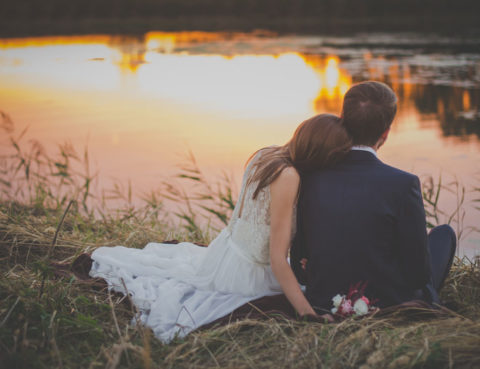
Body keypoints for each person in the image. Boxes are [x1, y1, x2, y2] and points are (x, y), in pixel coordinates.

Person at [89, 113, 351, 341]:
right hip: (247, 274)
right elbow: (276, 259)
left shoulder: (268, 154)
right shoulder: (289, 176)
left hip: (225, 252)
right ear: (321, 154)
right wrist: (307, 315)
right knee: (306, 295)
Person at [290, 81, 457, 313]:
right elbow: (418, 275)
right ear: (386, 132)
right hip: (387, 302)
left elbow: (299, 266)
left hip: (324, 299)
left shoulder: (309, 178)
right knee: (443, 235)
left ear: (343, 120)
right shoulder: (403, 184)